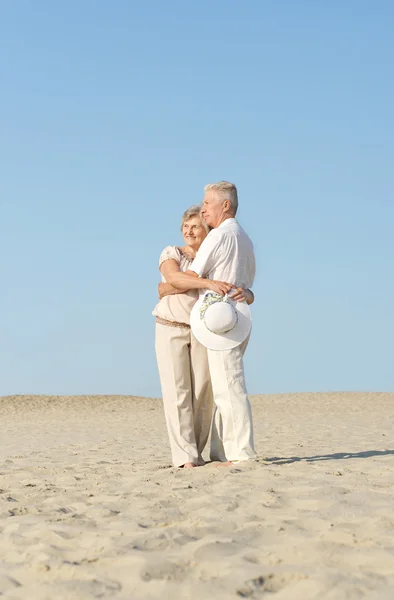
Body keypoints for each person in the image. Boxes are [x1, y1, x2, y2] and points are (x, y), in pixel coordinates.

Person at [162, 182, 256, 464]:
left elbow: (191, 274)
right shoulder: (246, 239)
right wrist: (248, 294)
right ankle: (223, 450)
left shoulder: (218, 236)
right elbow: (248, 285)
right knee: (225, 387)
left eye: (207, 203)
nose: (203, 209)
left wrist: (167, 286)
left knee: (229, 388)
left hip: (218, 320)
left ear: (225, 205)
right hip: (238, 317)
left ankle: (240, 453)